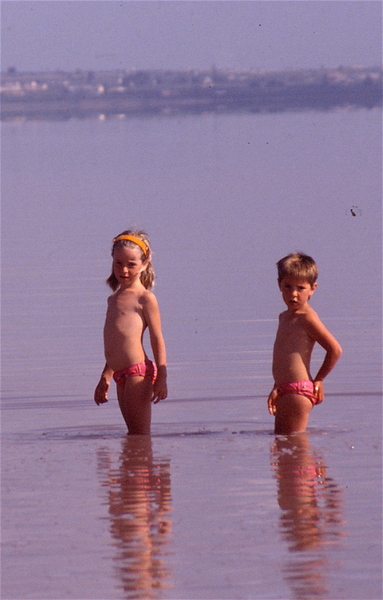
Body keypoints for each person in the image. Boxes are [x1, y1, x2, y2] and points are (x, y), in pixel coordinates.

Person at [94, 230, 167, 434]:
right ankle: (135, 465)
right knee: (132, 436)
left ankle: (146, 465)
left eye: (131, 264)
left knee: (140, 435)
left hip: (138, 373)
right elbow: (117, 344)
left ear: (144, 265)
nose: (124, 270)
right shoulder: (113, 300)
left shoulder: (145, 298)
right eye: (118, 263)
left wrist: (162, 377)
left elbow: (156, 338)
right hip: (120, 375)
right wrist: (105, 377)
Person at [268, 253, 342, 435]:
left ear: (312, 288)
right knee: (283, 444)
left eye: (300, 288)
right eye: (288, 287)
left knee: (295, 445)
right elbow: (284, 357)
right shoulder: (284, 317)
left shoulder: (307, 317)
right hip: (285, 389)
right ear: (279, 285)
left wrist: (319, 379)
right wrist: (276, 386)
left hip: (299, 390)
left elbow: (335, 350)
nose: (293, 294)